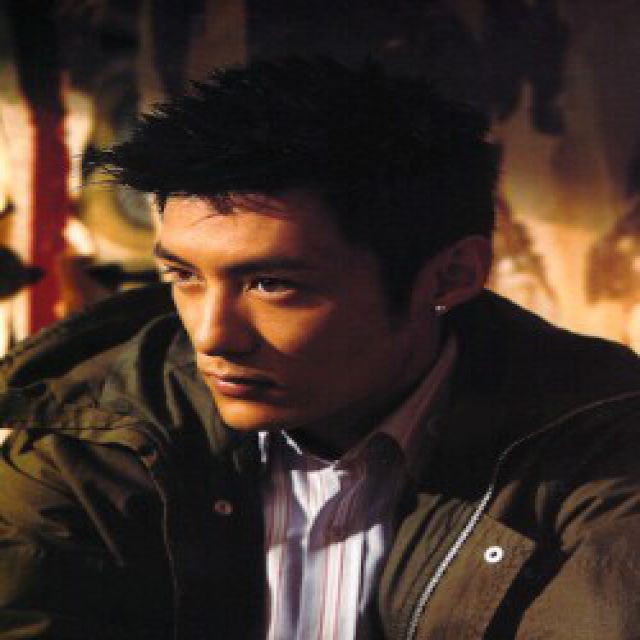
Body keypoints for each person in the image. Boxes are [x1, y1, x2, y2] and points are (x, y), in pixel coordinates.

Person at [1, 58, 639, 640]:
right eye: (183, 275)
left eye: (272, 284)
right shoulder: (88, 436)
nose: (213, 335)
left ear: (450, 276)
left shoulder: (604, 447)